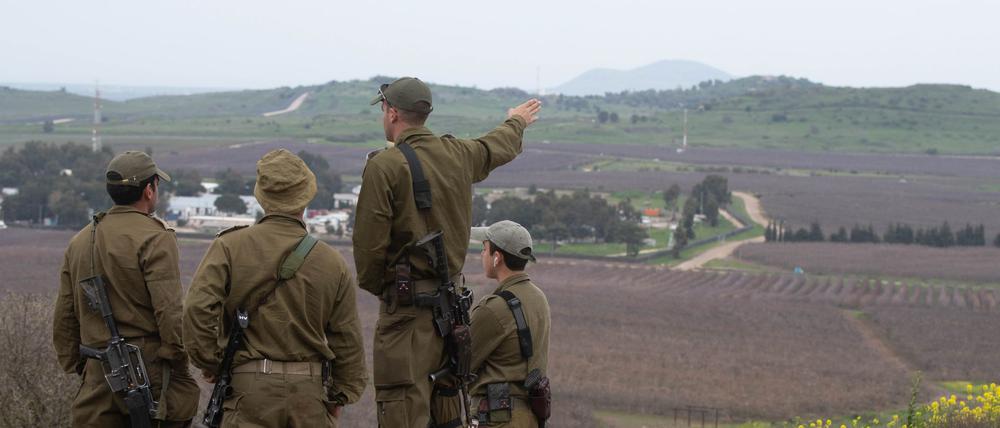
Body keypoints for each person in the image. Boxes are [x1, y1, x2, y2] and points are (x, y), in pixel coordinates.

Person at [353, 76, 541, 427]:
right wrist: (516, 120)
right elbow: (495, 146)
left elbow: (367, 253)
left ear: (392, 113)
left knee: (403, 411)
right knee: (447, 413)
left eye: (383, 109)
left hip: (406, 317)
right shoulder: (458, 154)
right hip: (452, 316)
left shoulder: (385, 166)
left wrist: (391, 291)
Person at [183, 149, 366, 427]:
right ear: (307, 195)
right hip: (309, 396)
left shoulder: (229, 247)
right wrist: (339, 397)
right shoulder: (332, 262)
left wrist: (213, 362)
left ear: (261, 196)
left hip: (248, 392)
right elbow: (348, 339)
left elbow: (197, 310)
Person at [53, 150, 199, 427]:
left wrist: (81, 366)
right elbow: (169, 312)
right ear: (148, 190)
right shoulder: (156, 237)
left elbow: (64, 317)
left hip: (98, 373)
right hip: (149, 375)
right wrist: (177, 359)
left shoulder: (80, 241)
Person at [469, 220, 550, 427]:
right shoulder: (538, 297)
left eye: (484, 248)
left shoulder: (494, 308)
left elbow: (461, 366)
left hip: (498, 419)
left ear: (497, 257)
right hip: (529, 417)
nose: (482, 255)